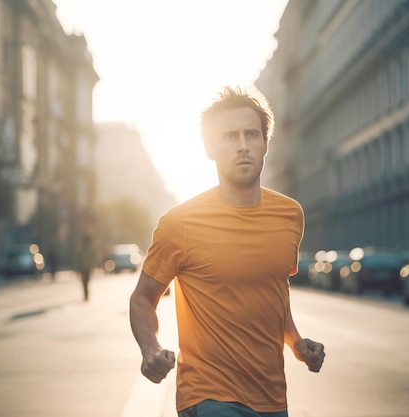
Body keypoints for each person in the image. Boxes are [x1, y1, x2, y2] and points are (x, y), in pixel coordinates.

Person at [129, 85, 325, 417]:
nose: (243, 146)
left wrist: (297, 343)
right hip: (208, 395)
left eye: (252, 134)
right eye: (230, 137)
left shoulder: (290, 215)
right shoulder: (180, 223)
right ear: (209, 148)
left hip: (272, 397)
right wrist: (151, 348)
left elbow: (273, 293)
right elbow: (143, 298)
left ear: (265, 143)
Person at [74, 234, 96, 302]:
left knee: (86, 282)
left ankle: (86, 294)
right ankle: (86, 294)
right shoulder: (81, 250)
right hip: (83, 268)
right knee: (84, 282)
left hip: (87, 268)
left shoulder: (89, 250)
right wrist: (77, 268)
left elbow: (93, 259)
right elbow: (78, 259)